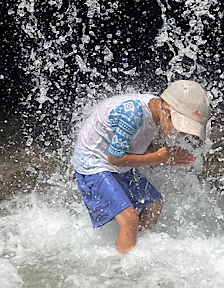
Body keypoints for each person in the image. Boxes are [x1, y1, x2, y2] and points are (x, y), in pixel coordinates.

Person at [72, 80, 211, 254]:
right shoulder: (133, 115)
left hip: (114, 161)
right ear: (166, 111)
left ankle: (132, 246)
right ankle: (120, 270)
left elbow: (136, 144)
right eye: (181, 128)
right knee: (129, 220)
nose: (181, 134)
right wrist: (159, 157)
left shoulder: (154, 111)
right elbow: (114, 158)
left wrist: (164, 156)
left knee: (154, 204)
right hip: (93, 163)